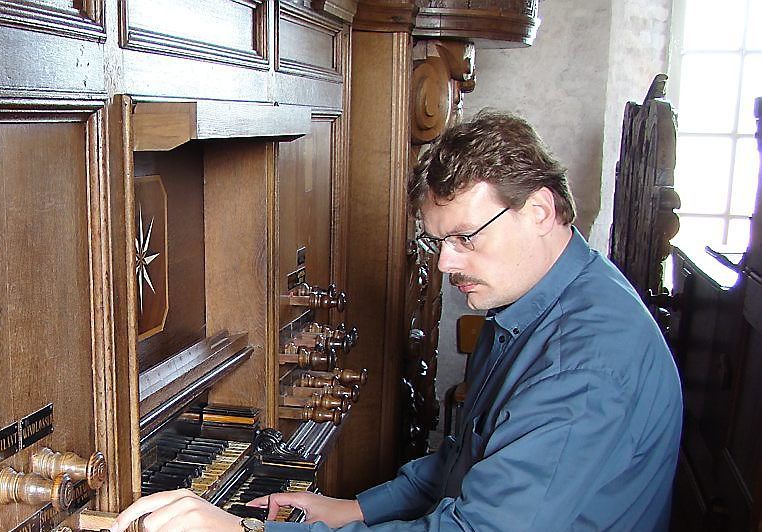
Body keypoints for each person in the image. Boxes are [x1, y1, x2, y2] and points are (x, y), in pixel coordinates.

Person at [109, 109, 683, 532]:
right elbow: (467, 458)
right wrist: (355, 509)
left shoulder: (584, 363)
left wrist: (242, 531)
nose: (447, 264)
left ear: (539, 211)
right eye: (438, 242)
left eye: (464, 237)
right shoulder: (532, 304)